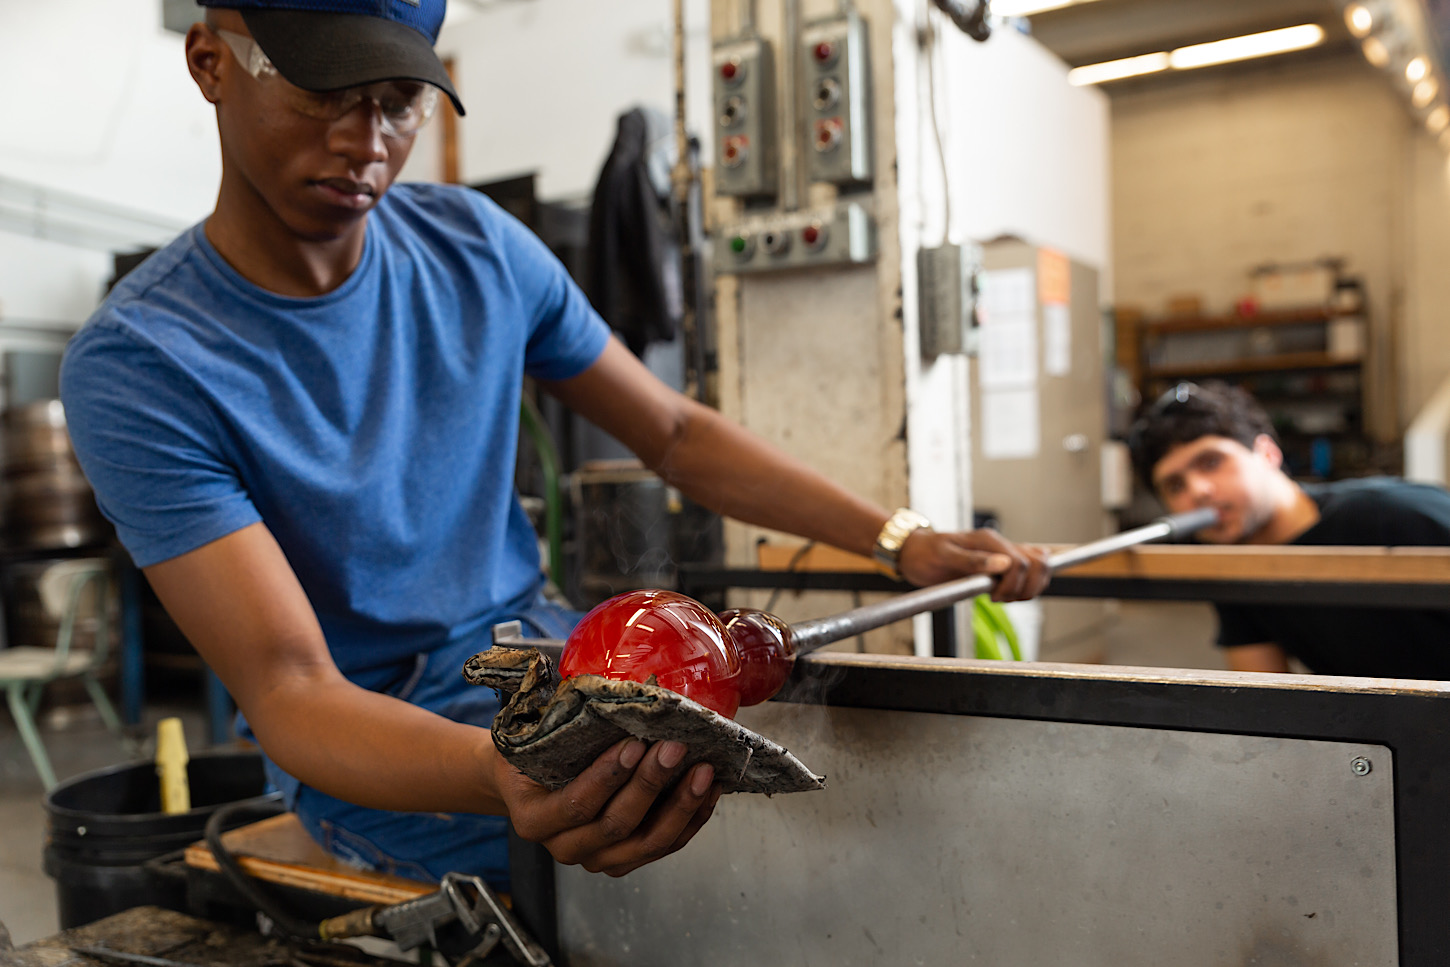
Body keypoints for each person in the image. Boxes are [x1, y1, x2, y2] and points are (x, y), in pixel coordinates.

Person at [59, 0, 1051, 889]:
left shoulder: (477, 248)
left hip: (544, 660)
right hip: (376, 742)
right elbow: (292, 689)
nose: (367, 140)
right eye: (323, 91)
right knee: (719, 886)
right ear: (210, 63)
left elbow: (669, 427)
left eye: (399, 100)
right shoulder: (144, 363)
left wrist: (894, 538)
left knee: (857, 813)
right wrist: (500, 772)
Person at [1128, 380, 1450, 679]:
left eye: (1211, 462)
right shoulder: (1235, 571)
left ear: (1267, 453)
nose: (1198, 491)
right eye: (1174, 485)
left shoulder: (1392, 513)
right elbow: (1263, 705)